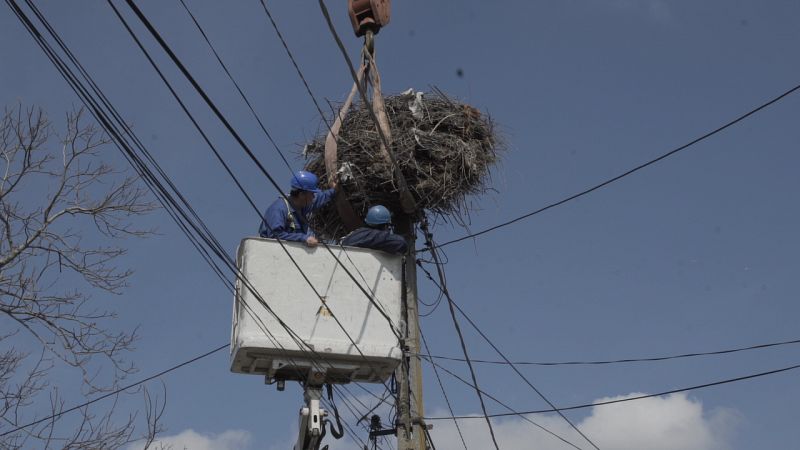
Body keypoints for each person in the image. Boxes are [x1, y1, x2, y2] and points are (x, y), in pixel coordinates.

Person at [259, 170, 335, 247]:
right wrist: (304, 238)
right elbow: (274, 235)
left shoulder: (303, 204)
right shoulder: (279, 209)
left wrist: (335, 189)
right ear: (302, 195)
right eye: (312, 194)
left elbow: (321, 197)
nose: (313, 196)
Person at [341, 205, 408, 255]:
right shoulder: (373, 235)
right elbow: (401, 243)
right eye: (388, 226)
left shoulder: (356, 234)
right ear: (384, 225)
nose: (389, 229)